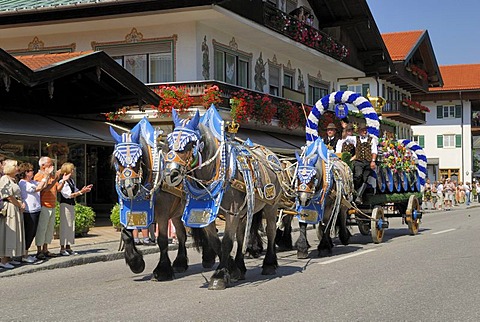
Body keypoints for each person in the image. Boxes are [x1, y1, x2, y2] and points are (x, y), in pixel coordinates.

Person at [34, 156, 68, 259]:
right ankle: (39, 250)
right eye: (49, 164)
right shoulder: (39, 176)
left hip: (52, 205)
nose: (52, 166)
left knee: (49, 230)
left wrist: (63, 180)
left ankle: (46, 249)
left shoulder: (51, 176)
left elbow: (57, 189)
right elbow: (45, 189)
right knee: (42, 228)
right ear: (43, 165)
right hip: (44, 205)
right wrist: (55, 178)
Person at [58, 162, 93, 256]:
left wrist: (83, 190)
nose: (73, 171)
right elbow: (68, 195)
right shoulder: (62, 182)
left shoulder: (71, 181)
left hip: (71, 205)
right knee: (65, 226)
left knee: (70, 225)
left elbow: (75, 191)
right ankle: (62, 248)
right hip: (65, 204)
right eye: (71, 169)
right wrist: (81, 192)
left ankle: (68, 246)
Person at [18, 162, 49, 263]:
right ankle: (24, 254)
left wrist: (47, 176)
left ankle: (25, 253)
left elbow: (43, 186)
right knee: (29, 232)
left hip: (36, 209)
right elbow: (37, 188)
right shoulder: (23, 183)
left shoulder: (32, 182)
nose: (32, 172)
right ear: (26, 172)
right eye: (31, 171)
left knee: (33, 232)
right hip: (29, 211)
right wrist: (45, 177)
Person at [0, 160, 25, 269]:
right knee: (8, 233)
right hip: (10, 208)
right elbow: (8, 196)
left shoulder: (13, 180)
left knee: (15, 232)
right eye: (15, 166)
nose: (17, 168)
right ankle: (4, 260)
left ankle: (9, 257)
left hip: (15, 208)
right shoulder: (4, 179)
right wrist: (19, 204)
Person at [351, 120, 378, 204]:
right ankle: (354, 192)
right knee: (358, 175)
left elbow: (374, 151)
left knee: (365, 178)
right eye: (363, 130)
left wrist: (373, 161)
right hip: (358, 161)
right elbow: (344, 139)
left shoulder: (371, 139)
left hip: (368, 162)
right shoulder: (355, 139)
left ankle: (359, 196)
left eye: (365, 129)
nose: (364, 131)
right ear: (359, 131)